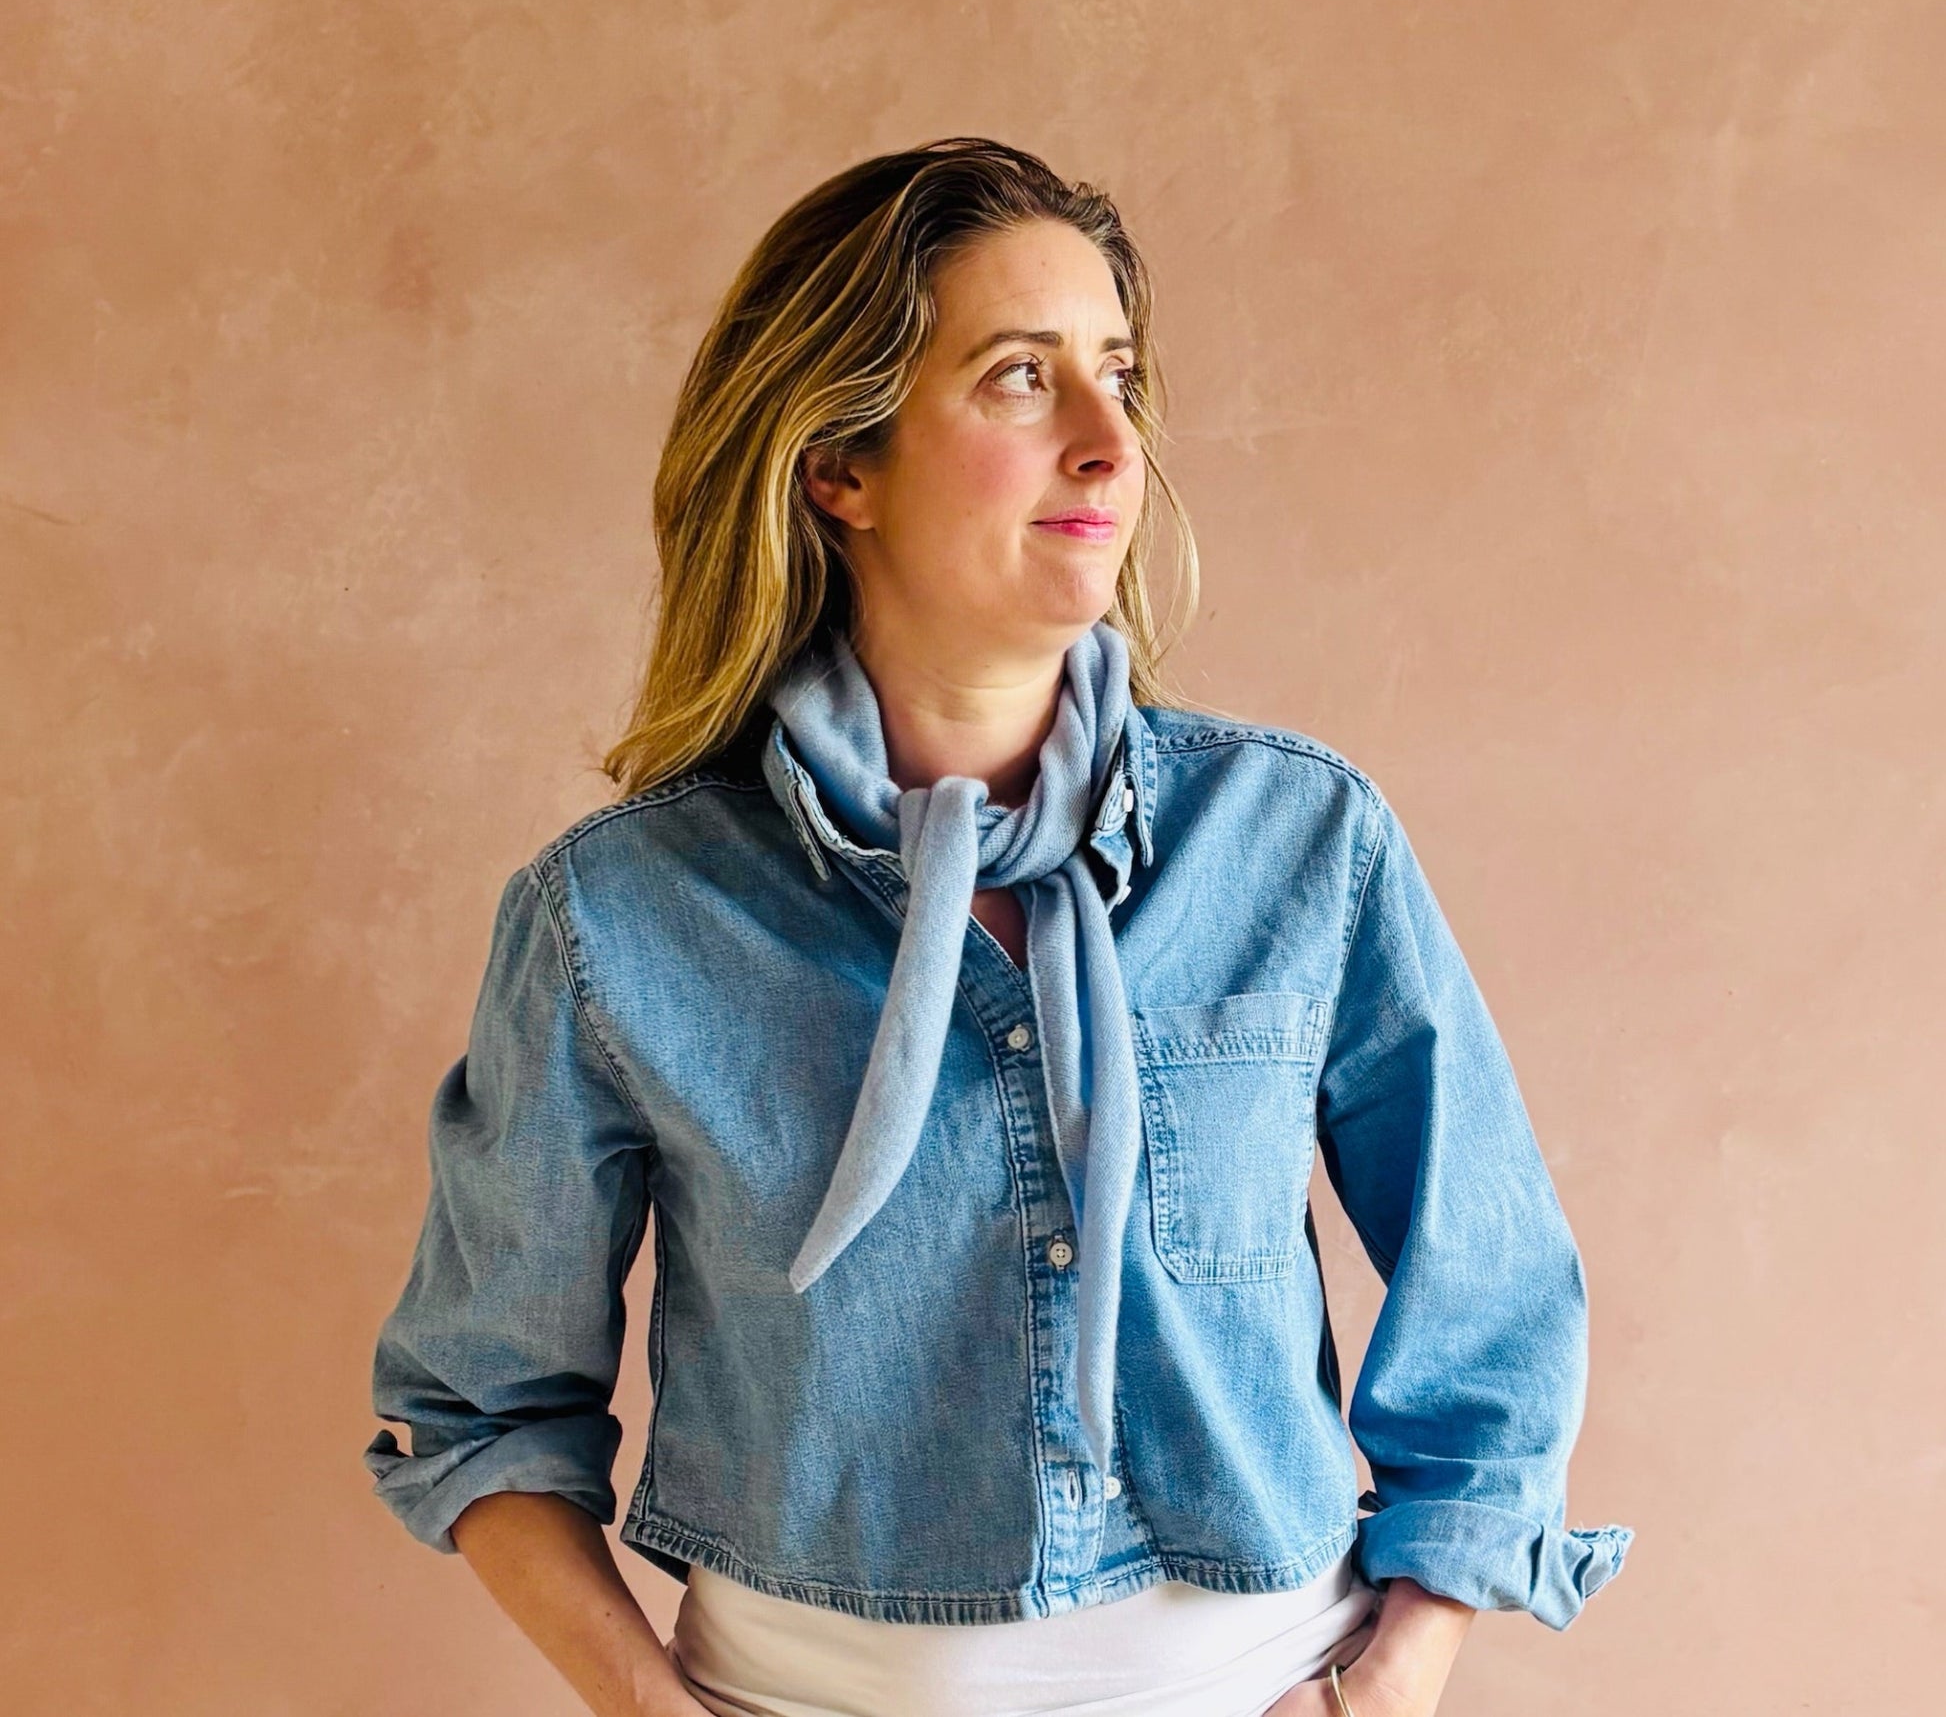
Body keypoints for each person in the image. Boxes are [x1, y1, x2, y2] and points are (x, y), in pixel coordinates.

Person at [363, 138, 1634, 1717]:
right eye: (1021, 380)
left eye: (1118, 373)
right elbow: (479, 1406)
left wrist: (1388, 1683)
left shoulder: (1298, 839)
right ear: (840, 462)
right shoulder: (621, 915)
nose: (1110, 444)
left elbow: (1491, 1293)